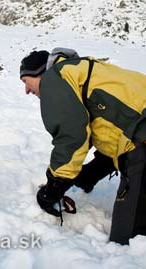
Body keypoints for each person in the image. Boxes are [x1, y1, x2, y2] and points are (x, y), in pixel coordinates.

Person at [20, 47, 146, 245]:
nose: (27, 90)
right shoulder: (82, 71)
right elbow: (117, 126)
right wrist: (92, 173)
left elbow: (71, 136)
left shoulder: (55, 77)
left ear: (39, 73)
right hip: (140, 136)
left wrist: (54, 187)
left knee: (129, 244)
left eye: (26, 81)